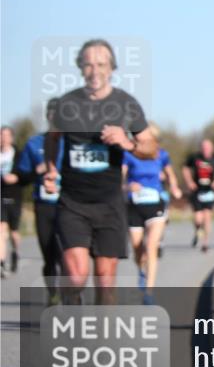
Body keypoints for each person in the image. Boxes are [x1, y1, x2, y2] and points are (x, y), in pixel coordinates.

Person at [44, 38, 158, 305]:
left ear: (112, 68)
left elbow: (150, 147)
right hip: (73, 202)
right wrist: (50, 169)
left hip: (109, 203)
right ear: (80, 68)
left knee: (106, 279)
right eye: (88, 65)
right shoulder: (66, 104)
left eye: (101, 64)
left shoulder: (126, 104)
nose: (95, 70)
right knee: (76, 275)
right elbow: (52, 138)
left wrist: (126, 141)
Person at [123, 122, 182, 304]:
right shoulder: (128, 155)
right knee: (137, 247)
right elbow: (119, 179)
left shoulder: (161, 154)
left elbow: (170, 174)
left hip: (155, 203)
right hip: (134, 205)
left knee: (151, 246)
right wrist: (127, 186)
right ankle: (141, 269)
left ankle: (149, 292)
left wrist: (174, 187)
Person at [16, 100, 64, 301]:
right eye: (52, 114)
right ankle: (53, 293)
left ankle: (69, 295)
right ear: (47, 116)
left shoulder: (71, 144)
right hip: (43, 205)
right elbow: (21, 176)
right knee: (49, 255)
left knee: (66, 254)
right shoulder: (34, 143)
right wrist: (37, 171)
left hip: (68, 205)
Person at [183, 139, 214, 253]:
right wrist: (189, 182)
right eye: (204, 147)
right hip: (197, 190)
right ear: (201, 148)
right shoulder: (194, 157)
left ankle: (205, 243)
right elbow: (185, 169)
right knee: (198, 218)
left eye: (208, 147)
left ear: (212, 148)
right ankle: (198, 231)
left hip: (209, 191)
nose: (206, 149)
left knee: (207, 217)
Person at [1, 126, 23, 277]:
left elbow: (26, 173)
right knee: (1, 230)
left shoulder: (19, 155)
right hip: (0, 195)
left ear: (12, 138)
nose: (4, 138)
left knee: (14, 233)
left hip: (15, 196)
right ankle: (2, 263)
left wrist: (17, 177)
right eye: (2, 135)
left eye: (7, 135)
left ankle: (15, 252)